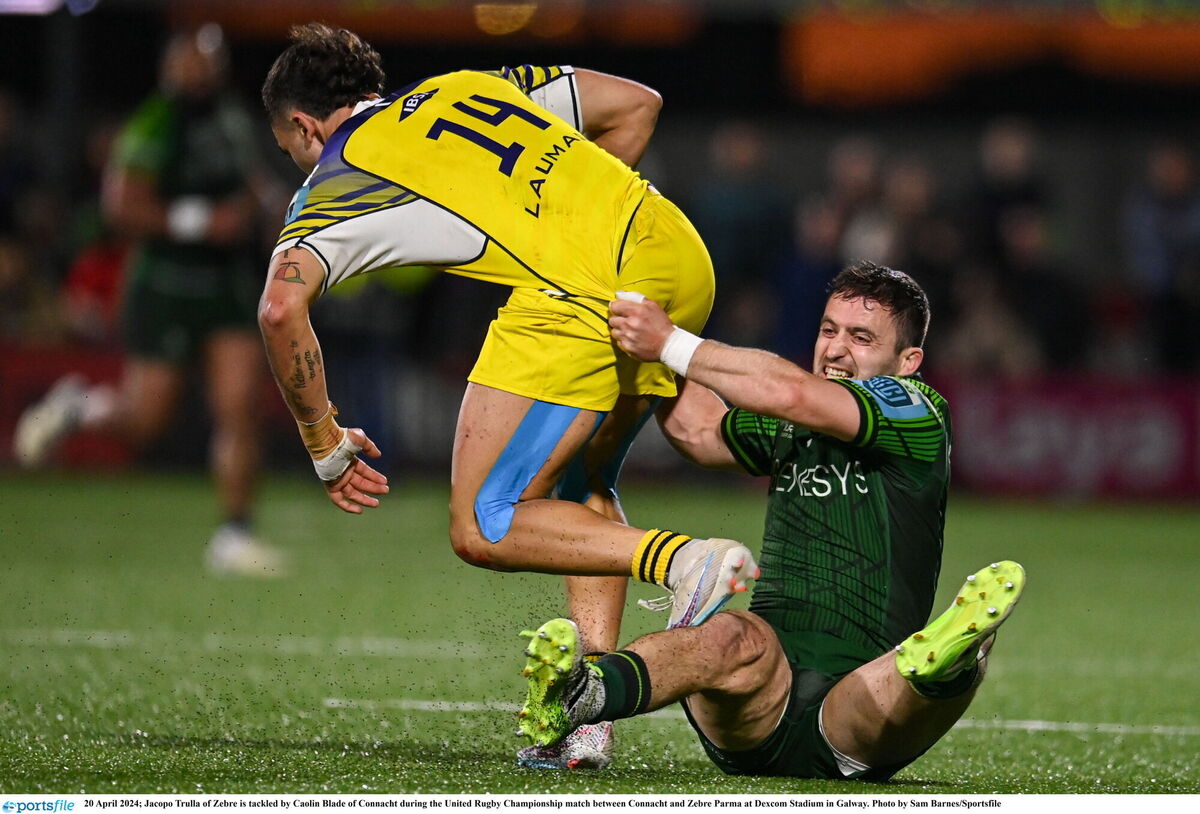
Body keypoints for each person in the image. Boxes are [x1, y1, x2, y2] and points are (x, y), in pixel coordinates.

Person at [257, 24, 758, 767]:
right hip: (674, 251)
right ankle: (588, 717)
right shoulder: (469, 85)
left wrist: (323, 441)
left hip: (581, 293)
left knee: (484, 523)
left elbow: (278, 309)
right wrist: (570, 226)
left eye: (289, 144)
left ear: (302, 125)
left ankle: (686, 561)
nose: (298, 157)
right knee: (580, 485)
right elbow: (636, 104)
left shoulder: (336, 176)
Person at [515, 262, 1026, 780]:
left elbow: (792, 392)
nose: (835, 348)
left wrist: (669, 341)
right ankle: (581, 696)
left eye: (861, 337)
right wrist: (640, 339)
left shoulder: (916, 410)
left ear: (907, 361)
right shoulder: (793, 424)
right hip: (757, 697)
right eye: (829, 330)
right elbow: (698, 430)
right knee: (727, 637)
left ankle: (949, 663)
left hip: (856, 709)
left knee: (905, 672)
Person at [13, 25, 286, 577]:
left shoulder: (232, 119)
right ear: (170, 67)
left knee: (238, 408)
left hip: (225, 283)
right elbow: (120, 208)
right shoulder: (155, 124)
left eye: (208, 61)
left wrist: (271, 207)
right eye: (191, 62)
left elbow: (252, 183)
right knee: (143, 421)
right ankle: (77, 408)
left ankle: (235, 534)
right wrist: (203, 222)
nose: (199, 72)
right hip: (165, 284)